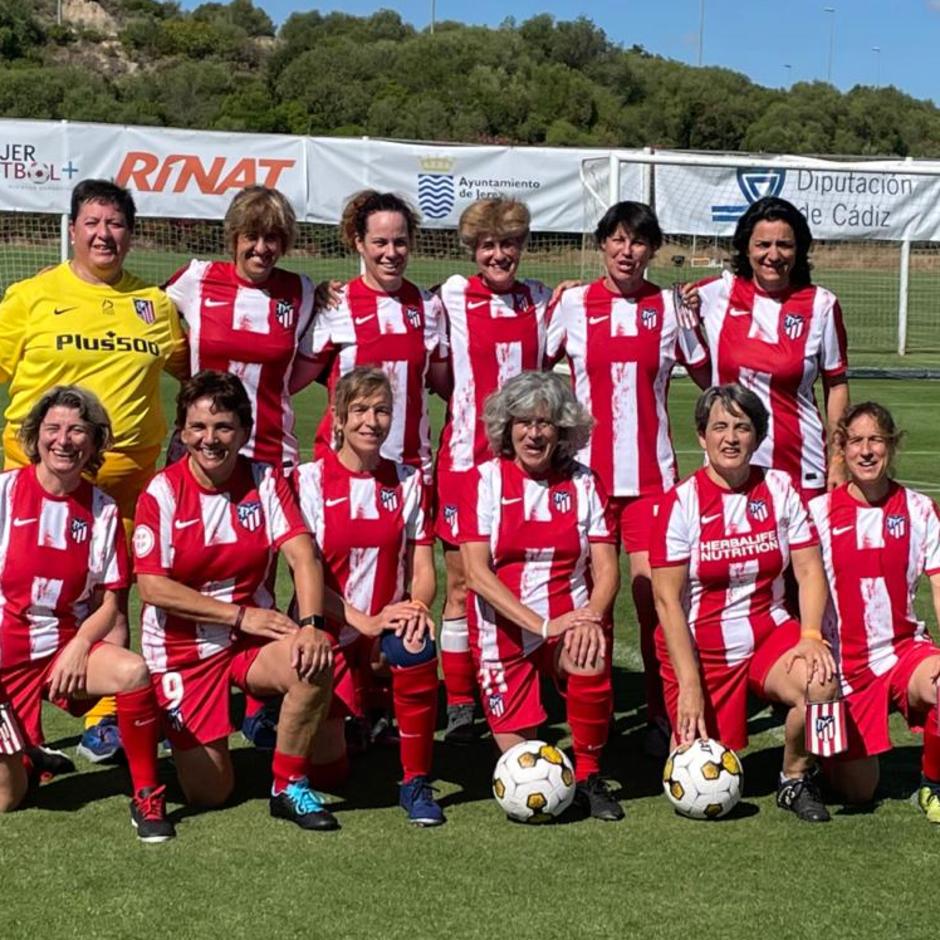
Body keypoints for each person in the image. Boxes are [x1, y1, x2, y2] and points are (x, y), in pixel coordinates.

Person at [0, 178, 188, 764]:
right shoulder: (30, 296)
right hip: (39, 477)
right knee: (21, 594)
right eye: (93, 223)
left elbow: (195, 368)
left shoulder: (155, 306)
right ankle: (18, 709)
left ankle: (106, 716)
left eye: (116, 224)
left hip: (124, 482)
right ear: (73, 229)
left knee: (114, 591)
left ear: (130, 234)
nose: (104, 234)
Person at [133, 371, 336, 831]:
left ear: (243, 432)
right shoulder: (161, 492)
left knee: (314, 658)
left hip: (249, 642)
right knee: (211, 792)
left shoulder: (264, 480)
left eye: (223, 427)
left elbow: (303, 555)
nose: (210, 439)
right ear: (183, 432)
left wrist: (311, 625)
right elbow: (153, 588)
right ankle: (171, 723)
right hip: (182, 648)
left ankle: (288, 785)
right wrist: (240, 615)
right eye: (198, 427)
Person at [547, 201, 710, 757]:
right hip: (584, 482)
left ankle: (665, 716)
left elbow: (709, 375)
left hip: (650, 483)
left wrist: (697, 312)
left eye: (638, 241)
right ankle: (595, 715)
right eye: (617, 239)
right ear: (601, 245)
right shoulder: (572, 303)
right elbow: (531, 364)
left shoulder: (668, 307)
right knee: (590, 599)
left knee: (654, 600)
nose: (627, 251)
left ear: (652, 250)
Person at [164, 185, 319, 747]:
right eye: (252, 236)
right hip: (199, 449)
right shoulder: (195, 279)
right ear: (233, 237)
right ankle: (179, 683)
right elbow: (146, 319)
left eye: (273, 238)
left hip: (270, 453)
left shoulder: (302, 292)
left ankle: (258, 699)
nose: (262, 248)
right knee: (186, 566)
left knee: (263, 578)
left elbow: (305, 367)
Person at [651, 384, 838, 822]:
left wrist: (811, 635)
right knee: (699, 772)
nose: (731, 438)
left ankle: (795, 777)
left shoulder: (780, 487)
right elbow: (667, 601)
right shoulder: (681, 502)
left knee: (822, 683)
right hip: (703, 649)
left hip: (768, 632)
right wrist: (690, 684)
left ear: (758, 436)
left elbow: (810, 571)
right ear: (702, 436)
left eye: (742, 427)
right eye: (720, 427)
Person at [0, 386, 172, 841]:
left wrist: (79, 645)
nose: (64, 440)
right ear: (35, 436)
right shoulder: (5, 492)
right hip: (4, 651)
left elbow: (110, 603)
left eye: (77, 430)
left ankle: (146, 793)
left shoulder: (103, 509)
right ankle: (26, 755)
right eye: (53, 429)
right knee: (7, 799)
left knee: (133, 672)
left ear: (95, 442)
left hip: (61, 649)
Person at [459, 371, 623, 820]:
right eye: (524, 422)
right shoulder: (483, 481)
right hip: (502, 633)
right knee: (524, 763)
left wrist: (590, 616)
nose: (534, 433)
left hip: (569, 622)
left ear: (562, 429)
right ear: (507, 428)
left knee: (589, 652)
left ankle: (588, 774)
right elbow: (476, 574)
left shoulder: (584, 482)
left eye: (545, 422)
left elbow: (608, 569)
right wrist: (543, 625)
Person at [435, 198, 566, 744]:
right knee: (462, 583)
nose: (498, 254)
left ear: (522, 246)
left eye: (508, 243)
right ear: (473, 250)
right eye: (487, 245)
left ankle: (530, 681)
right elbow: (437, 368)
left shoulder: (541, 299)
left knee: (530, 571)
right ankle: (461, 701)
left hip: (525, 465)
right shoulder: (450, 295)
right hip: (465, 462)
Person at [295, 367, 443, 826]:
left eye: (382, 411)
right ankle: (346, 718)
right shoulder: (308, 480)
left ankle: (416, 781)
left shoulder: (408, 480)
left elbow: (423, 568)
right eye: (359, 410)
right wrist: (362, 620)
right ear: (338, 418)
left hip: (384, 627)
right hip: (329, 627)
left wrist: (417, 607)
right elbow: (306, 577)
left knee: (416, 644)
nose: (371, 421)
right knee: (331, 774)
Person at [808, 402, 940, 822]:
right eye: (856, 441)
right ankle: (824, 752)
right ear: (842, 449)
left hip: (903, 652)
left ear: (891, 445)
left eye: (876, 440)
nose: (866, 451)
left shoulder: (920, 509)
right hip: (846, 666)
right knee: (858, 791)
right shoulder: (817, 514)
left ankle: (934, 784)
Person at [681, 196, 849, 500]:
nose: (773, 255)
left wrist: (838, 460)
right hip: (728, 466)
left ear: (799, 249)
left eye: (784, 245)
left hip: (801, 463)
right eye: (763, 245)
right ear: (746, 248)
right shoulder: (717, 294)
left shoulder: (821, 305)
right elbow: (661, 307)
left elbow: (836, 385)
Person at [298, 190, 446, 481]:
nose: (391, 253)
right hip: (341, 470)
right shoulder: (336, 304)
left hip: (410, 473)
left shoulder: (430, 307)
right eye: (380, 242)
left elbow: (449, 386)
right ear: (359, 243)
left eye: (400, 242)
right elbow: (287, 382)